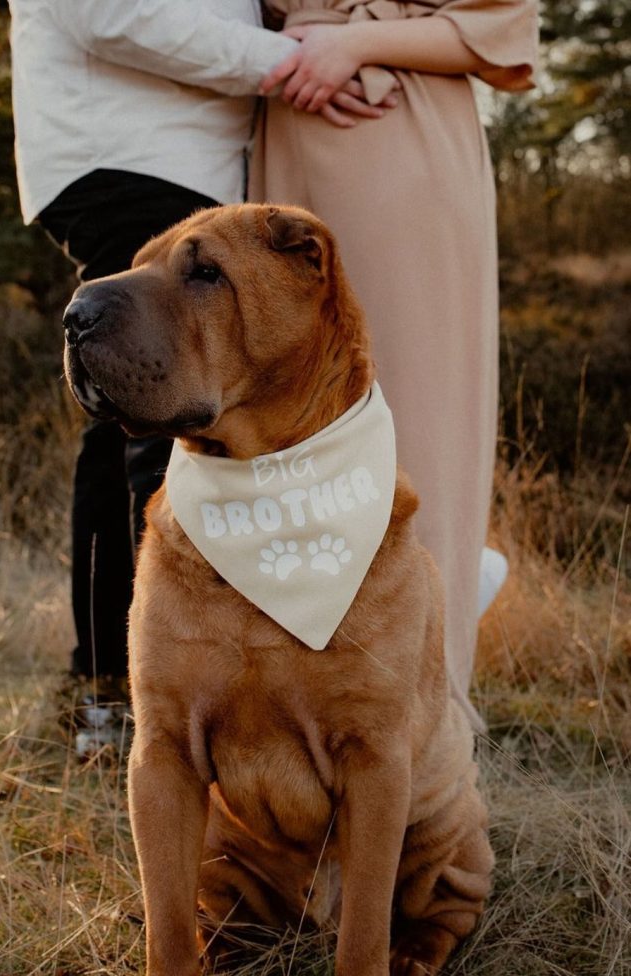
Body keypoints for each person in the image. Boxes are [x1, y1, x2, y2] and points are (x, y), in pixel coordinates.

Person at [7, 1, 382, 740]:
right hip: (130, 154)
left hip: (172, 156)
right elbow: (112, 15)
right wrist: (283, 62)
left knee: (130, 423)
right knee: (156, 423)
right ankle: (157, 702)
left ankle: (114, 691)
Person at [253, 0, 539, 730]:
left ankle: (417, 721)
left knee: (415, 416)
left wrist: (355, 44)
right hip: (283, 125)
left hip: (400, 126)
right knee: (289, 429)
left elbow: (501, 17)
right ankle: (303, 724)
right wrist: (277, 54)